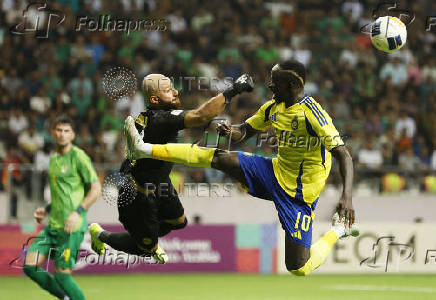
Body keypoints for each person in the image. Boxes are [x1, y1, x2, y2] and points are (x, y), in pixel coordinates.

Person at [123, 60, 359, 276]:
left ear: (291, 84)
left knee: (299, 268)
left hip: (300, 194)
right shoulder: (272, 108)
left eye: (274, 81)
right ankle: (143, 149)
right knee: (219, 158)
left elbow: (343, 155)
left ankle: (337, 230)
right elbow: (244, 132)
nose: (269, 85)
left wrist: (346, 197)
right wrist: (231, 131)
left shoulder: (314, 114)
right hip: (274, 172)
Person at [89, 73, 253, 262]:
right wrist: (234, 90)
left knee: (179, 222)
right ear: (154, 99)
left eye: (173, 88)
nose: (175, 92)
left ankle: (148, 237)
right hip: (138, 195)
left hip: (159, 184)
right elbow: (201, 116)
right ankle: (102, 234)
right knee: (145, 250)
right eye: (168, 91)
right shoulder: (161, 119)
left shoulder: (152, 117)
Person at [23, 116, 102, 299]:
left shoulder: (79, 157)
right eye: (59, 130)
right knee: (30, 266)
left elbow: (96, 189)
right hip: (53, 226)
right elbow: (62, 195)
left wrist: (77, 213)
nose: (62, 134)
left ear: (73, 135)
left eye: (67, 131)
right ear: (52, 133)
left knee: (61, 275)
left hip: (71, 228)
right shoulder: (54, 160)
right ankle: (65, 297)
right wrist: (47, 209)